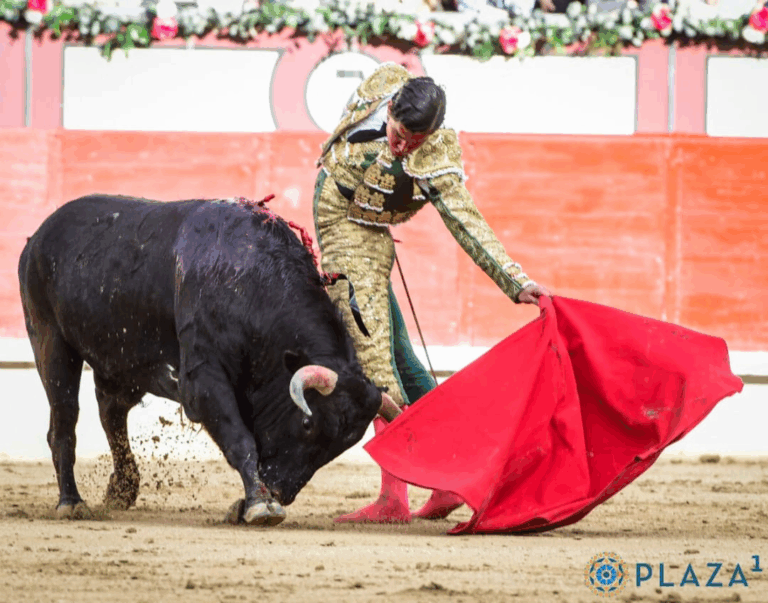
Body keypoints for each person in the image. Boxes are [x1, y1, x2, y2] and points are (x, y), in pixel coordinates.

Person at [312, 63, 552, 523]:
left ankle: (393, 499)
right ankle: (452, 480)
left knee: (375, 365)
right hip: (348, 224)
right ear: (390, 106)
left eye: (414, 142)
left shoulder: (437, 157)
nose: (402, 147)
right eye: (399, 134)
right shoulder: (384, 80)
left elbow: (466, 220)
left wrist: (514, 280)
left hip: (354, 237)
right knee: (401, 360)